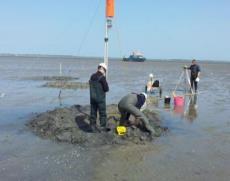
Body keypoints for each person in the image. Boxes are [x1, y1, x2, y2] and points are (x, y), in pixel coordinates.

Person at [89, 62, 109, 132]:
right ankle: (102, 127)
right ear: (103, 69)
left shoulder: (92, 76)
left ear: (98, 68)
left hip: (92, 98)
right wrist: (105, 80)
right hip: (100, 99)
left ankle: (92, 126)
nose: (105, 72)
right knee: (102, 113)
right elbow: (106, 89)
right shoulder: (102, 78)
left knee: (93, 112)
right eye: (105, 71)